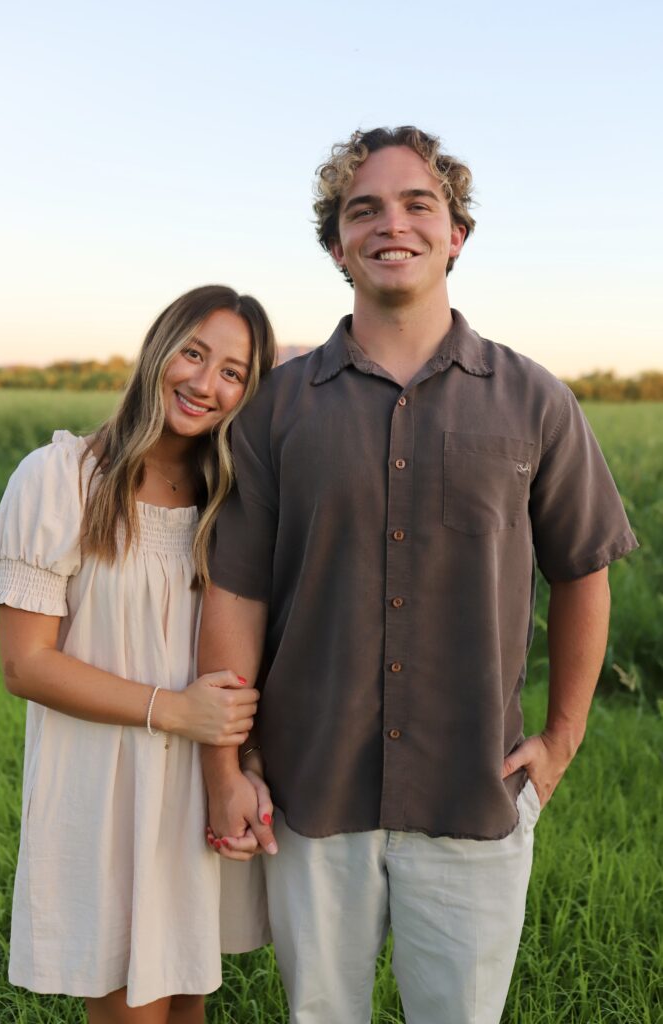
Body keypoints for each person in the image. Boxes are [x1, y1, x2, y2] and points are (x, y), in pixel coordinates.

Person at [199, 128, 638, 1024]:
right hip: (310, 794)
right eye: (363, 210)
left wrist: (561, 739)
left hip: (474, 794)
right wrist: (223, 769)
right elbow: (235, 592)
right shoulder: (277, 410)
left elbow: (583, 569)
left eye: (416, 205)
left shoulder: (534, 400)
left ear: (455, 236)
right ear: (336, 246)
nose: (389, 224)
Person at [0, 285, 277, 1024]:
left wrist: (241, 768)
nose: (206, 383)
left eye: (234, 372)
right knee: (130, 1007)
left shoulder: (230, 499)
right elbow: (26, 664)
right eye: (194, 352)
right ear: (159, 349)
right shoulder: (60, 481)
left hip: (199, 784)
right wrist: (174, 709)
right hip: (106, 790)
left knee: (186, 1002)